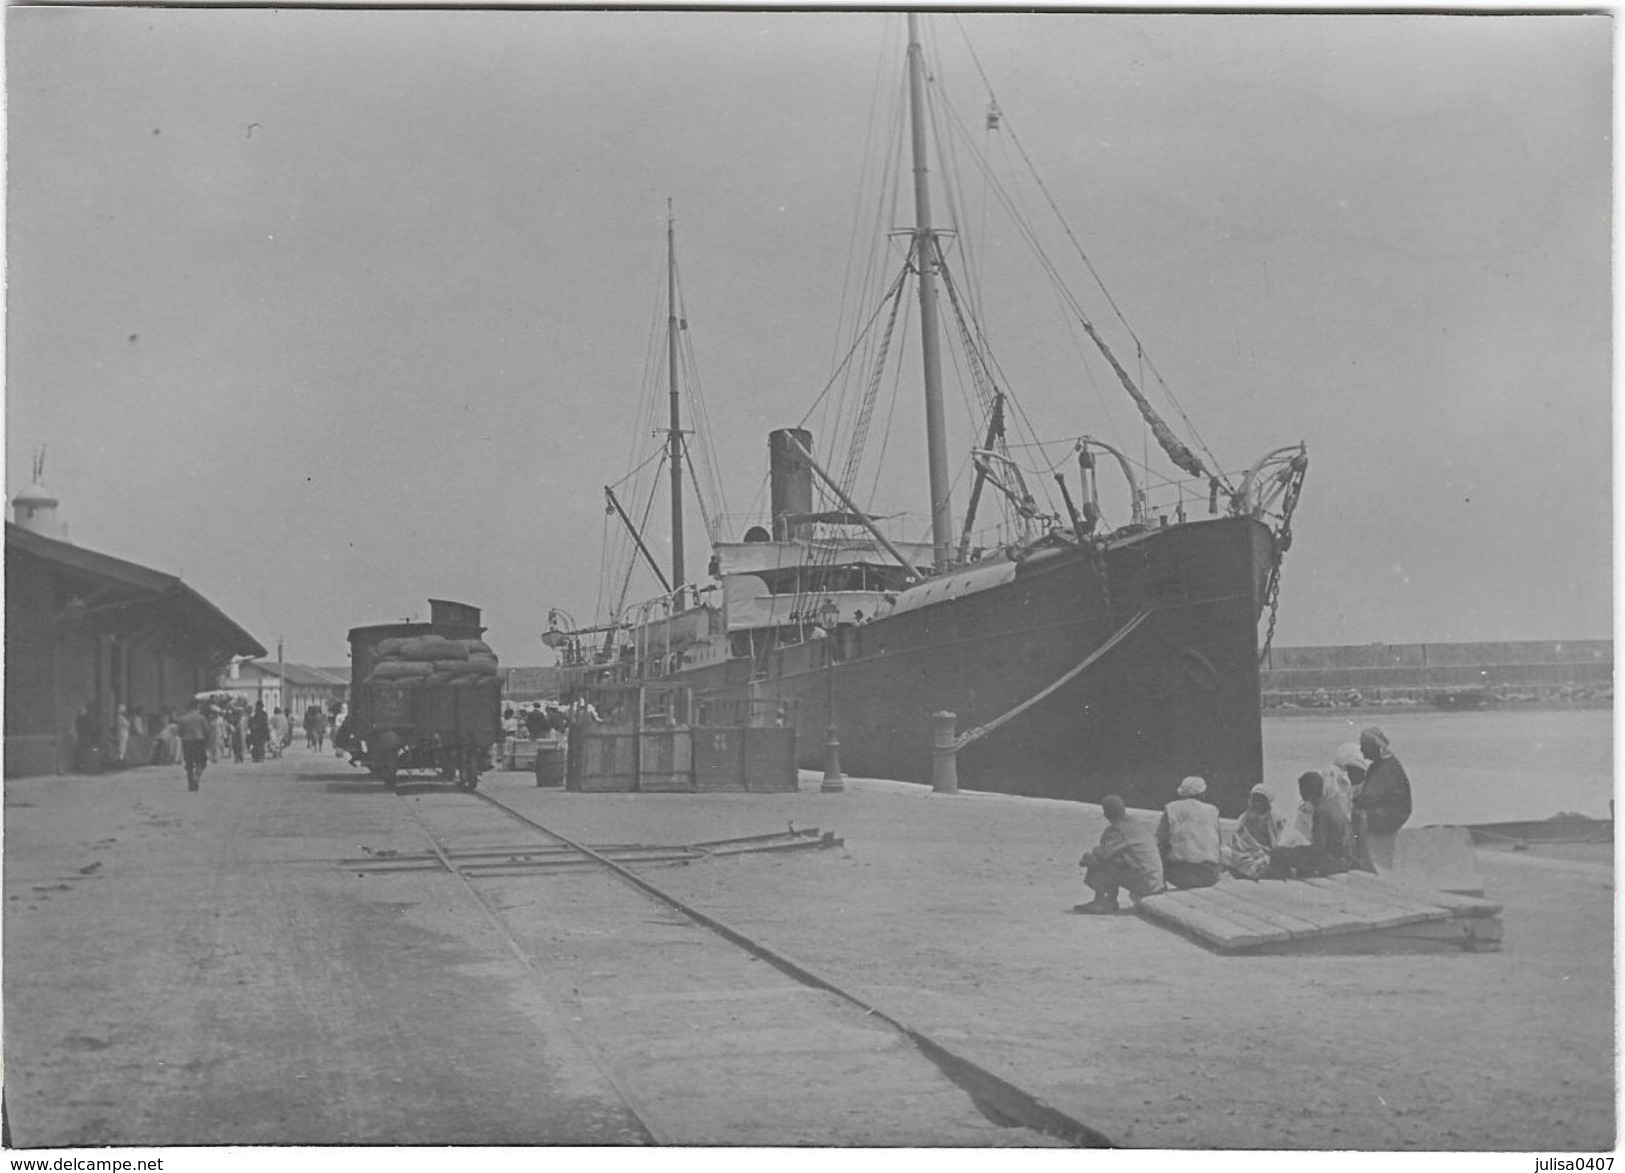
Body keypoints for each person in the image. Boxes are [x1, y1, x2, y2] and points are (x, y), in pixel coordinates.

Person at [1074, 794, 1165, 914]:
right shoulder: (1134, 823)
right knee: (1114, 859)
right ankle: (1107, 900)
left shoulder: (1118, 830)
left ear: (1106, 814)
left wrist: (1087, 859)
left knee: (1101, 861)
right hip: (1154, 880)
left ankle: (1103, 902)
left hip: (1146, 883)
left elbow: (1102, 855)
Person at [1269, 771, 1354, 878]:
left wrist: (1298, 848)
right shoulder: (1332, 803)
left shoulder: (1320, 811)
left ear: (1306, 790)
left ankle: (1281, 884)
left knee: (1278, 853)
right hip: (1343, 859)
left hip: (1334, 862)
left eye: (1301, 788)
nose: (1300, 792)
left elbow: (1319, 848)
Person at [1156, 776, 1223, 889]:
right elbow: (1218, 842)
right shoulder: (1213, 810)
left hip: (1180, 875)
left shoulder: (1171, 809)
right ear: (1201, 794)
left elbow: (1161, 841)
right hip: (1210, 875)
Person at [1224, 784, 1279, 880]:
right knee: (1223, 852)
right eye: (1254, 800)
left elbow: (1276, 843)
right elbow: (1235, 837)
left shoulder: (1274, 819)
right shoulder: (1244, 817)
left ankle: (1245, 872)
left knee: (1266, 861)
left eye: (1260, 800)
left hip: (1261, 854)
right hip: (1242, 853)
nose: (1256, 803)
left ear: (1267, 802)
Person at [177, 701, 210, 790]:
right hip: (199, 740)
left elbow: (179, 732)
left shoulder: (182, 719)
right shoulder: (201, 718)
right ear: (196, 707)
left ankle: (190, 783)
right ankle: (196, 776)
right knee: (201, 762)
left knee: (189, 763)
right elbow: (207, 731)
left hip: (187, 742)